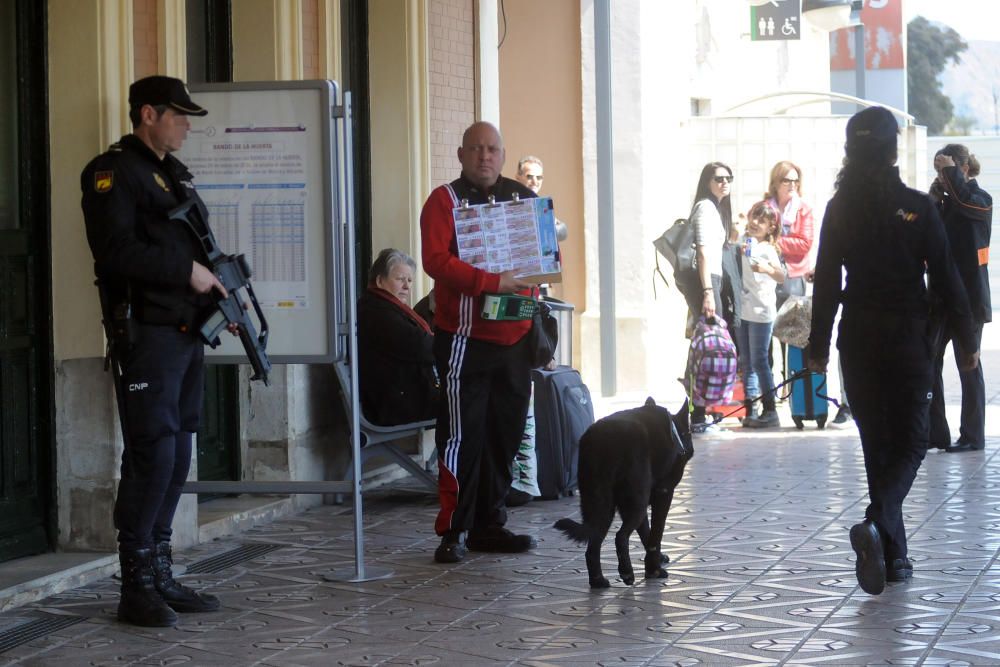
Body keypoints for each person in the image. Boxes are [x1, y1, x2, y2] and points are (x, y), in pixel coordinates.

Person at [808, 106, 978, 595]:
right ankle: (879, 521)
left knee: (877, 446)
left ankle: (896, 557)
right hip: (907, 339)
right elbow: (947, 278)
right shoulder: (916, 207)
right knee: (911, 442)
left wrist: (818, 346)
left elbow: (825, 281)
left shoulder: (840, 207)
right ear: (893, 150)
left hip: (857, 340)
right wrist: (967, 343)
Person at [80, 76, 224, 627]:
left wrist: (216, 291)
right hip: (146, 334)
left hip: (184, 332)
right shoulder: (112, 173)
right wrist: (186, 272)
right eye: (178, 115)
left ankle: (161, 569)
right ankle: (135, 584)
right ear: (148, 114)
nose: (187, 124)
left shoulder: (171, 175)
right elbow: (114, 251)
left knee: (180, 449)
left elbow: (192, 245)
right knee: (152, 453)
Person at [420, 121, 538, 563]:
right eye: (476, 149)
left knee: (503, 435)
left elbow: (543, 259)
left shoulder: (524, 199)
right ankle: (453, 530)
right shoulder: (443, 201)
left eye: (492, 149)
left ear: (503, 155)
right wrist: (491, 282)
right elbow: (435, 261)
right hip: (464, 340)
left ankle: (490, 525)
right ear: (461, 154)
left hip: (516, 338)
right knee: (460, 437)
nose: (485, 156)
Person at [927, 145, 992, 453]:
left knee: (969, 365)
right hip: (939, 299)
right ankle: (935, 433)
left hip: (969, 300)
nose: (942, 176)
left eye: (947, 170)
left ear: (963, 168)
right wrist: (933, 198)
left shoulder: (980, 199)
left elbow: (968, 205)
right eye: (939, 171)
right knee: (928, 364)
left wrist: (951, 175)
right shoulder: (945, 202)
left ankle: (972, 435)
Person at [357, 248, 438, 426]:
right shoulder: (378, 313)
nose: (407, 286)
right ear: (379, 280)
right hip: (396, 404)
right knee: (473, 399)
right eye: (400, 279)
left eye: (409, 280)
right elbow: (424, 347)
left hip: (403, 395)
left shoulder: (384, 307)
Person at [684, 162, 737, 432]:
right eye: (718, 178)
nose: (724, 183)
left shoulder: (715, 208)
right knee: (704, 348)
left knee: (702, 348)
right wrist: (707, 292)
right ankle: (696, 416)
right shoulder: (705, 208)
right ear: (707, 182)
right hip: (707, 282)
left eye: (729, 178)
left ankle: (697, 415)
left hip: (710, 281)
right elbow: (703, 252)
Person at [736, 201, 785, 428]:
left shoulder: (767, 249)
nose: (755, 222)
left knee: (759, 361)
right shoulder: (744, 242)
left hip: (762, 312)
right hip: (744, 310)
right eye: (754, 217)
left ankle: (770, 409)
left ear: (771, 227)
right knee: (746, 362)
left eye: (762, 220)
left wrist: (766, 268)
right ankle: (751, 408)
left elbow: (782, 276)